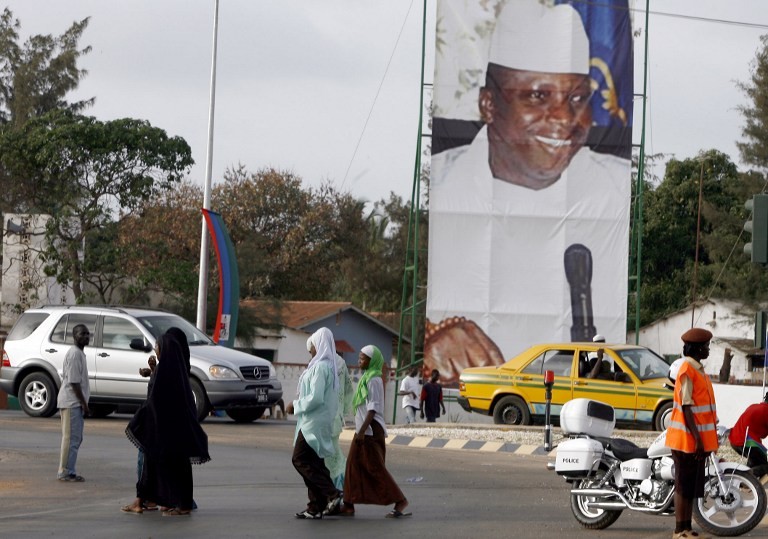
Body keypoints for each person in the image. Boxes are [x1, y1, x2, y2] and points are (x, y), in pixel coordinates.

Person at [425, 0, 631, 384]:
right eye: (537, 96)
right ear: (489, 103)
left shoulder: (615, 185)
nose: (564, 120)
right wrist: (438, 335)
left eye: (576, 98)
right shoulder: (444, 182)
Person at [123, 333, 210, 516]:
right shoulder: (174, 369)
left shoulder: (168, 372)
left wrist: (142, 418)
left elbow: (157, 400)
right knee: (154, 466)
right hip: (168, 431)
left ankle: (180, 504)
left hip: (164, 431)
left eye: (157, 346)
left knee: (168, 467)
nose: (155, 349)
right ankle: (147, 500)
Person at [338, 345, 410, 518]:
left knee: (375, 468)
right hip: (363, 429)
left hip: (370, 430)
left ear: (372, 361)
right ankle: (349, 504)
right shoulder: (366, 378)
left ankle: (400, 501)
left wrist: (362, 432)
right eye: (359, 357)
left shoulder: (374, 380)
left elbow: (373, 409)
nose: (359, 361)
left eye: (363, 358)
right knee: (352, 466)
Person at [665, 328, 718, 539]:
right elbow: (686, 407)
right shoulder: (687, 369)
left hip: (695, 440)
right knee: (682, 485)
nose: (708, 349)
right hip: (686, 439)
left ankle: (686, 528)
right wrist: (697, 438)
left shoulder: (698, 370)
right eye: (706, 346)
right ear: (696, 349)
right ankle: (679, 530)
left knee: (689, 487)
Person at [285, 327, 341, 520]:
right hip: (319, 421)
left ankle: (332, 493)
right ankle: (315, 506)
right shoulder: (329, 368)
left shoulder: (320, 368)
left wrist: (295, 405)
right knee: (314, 462)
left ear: (319, 345)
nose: (310, 352)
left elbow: (315, 398)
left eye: (312, 348)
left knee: (299, 459)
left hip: (313, 422)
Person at [57, 323, 91, 482]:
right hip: (71, 402)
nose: (86, 336)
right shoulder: (74, 354)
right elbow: (74, 382)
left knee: (75, 438)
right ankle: (65, 471)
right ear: (74, 336)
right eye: (82, 334)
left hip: (74, 402)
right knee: (70, 438)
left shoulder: (79, 354)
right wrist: (84, 404)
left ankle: (69, 469)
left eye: (87, 334)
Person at [728, 393, 768, 481]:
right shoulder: (766, 411)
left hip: (735, 440)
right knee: (765, 465)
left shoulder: (754, 406)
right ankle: (743, 478)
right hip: (745, 441)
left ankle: (745, 483)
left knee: (756, 461)